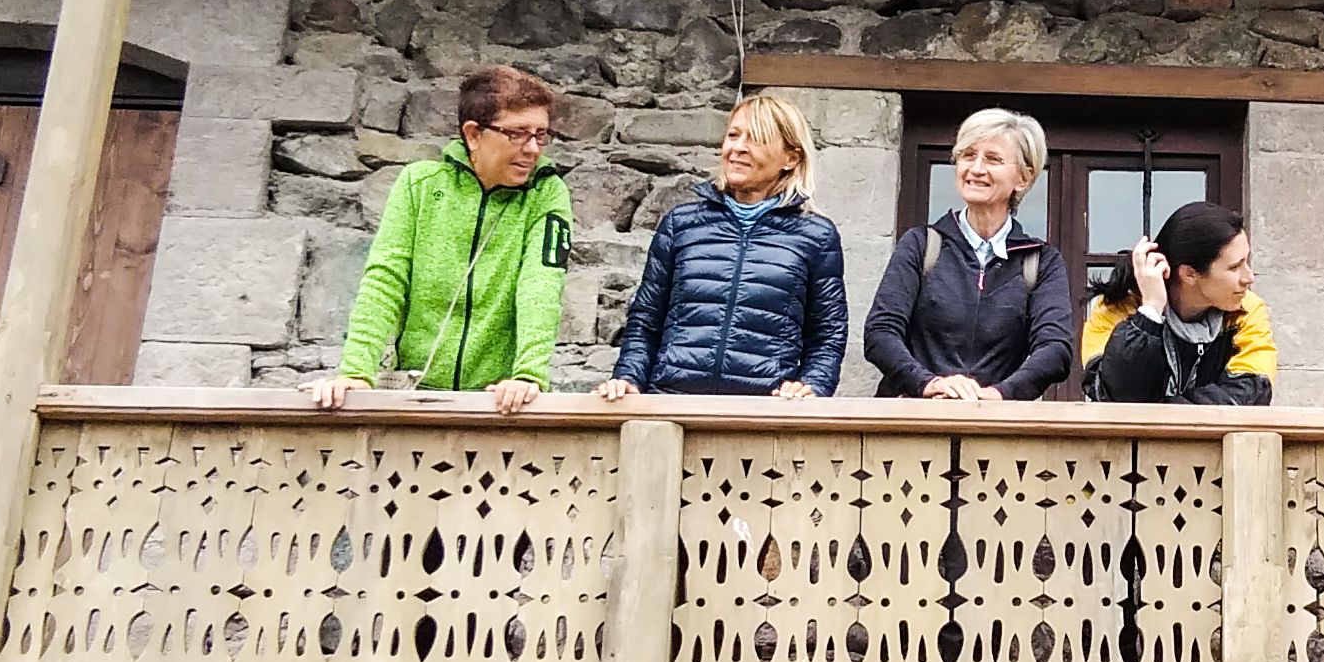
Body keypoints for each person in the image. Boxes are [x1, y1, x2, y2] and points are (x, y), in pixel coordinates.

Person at [306, 63, 572, 417]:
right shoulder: (419, 184)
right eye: (518, 134)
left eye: (541, 135)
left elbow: (542, 283)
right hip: (416, 398)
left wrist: (528, 375)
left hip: (500, 403)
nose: (534, 149)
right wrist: (356, 372)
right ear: (473, 134)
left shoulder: (548, 193)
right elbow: (385, 279)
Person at [597, 92, 846, 401]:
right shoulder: (681, 224)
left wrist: (813, 386)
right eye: (733, 135)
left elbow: (827, 334)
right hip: (670, 403)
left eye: (756, 139)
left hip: (762, 412)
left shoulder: (815, 236)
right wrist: (629, 377)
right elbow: (645, 320)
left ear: (791, 158)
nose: (737, 148)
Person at [864, 107, 1075, 401]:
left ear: (1023, 179)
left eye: (993, 159)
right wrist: (929, 383)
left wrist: (999, 394)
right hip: (913, 421)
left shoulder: (1041, 262)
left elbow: (1055, 350)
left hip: (997, 427)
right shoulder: (920, 245)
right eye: (967, 155)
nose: (975, 169)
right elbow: (880, 333)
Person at [1081, 199, 1276, 405]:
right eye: (1234, 267)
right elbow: (1117, 397)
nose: (1249, 277)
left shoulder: (1247, 309)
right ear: (1189, 273)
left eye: (1246, 261)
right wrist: (1151, 311)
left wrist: (1159, 408)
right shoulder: (1116, 307)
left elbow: (1249, 394)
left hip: (1208, 438)